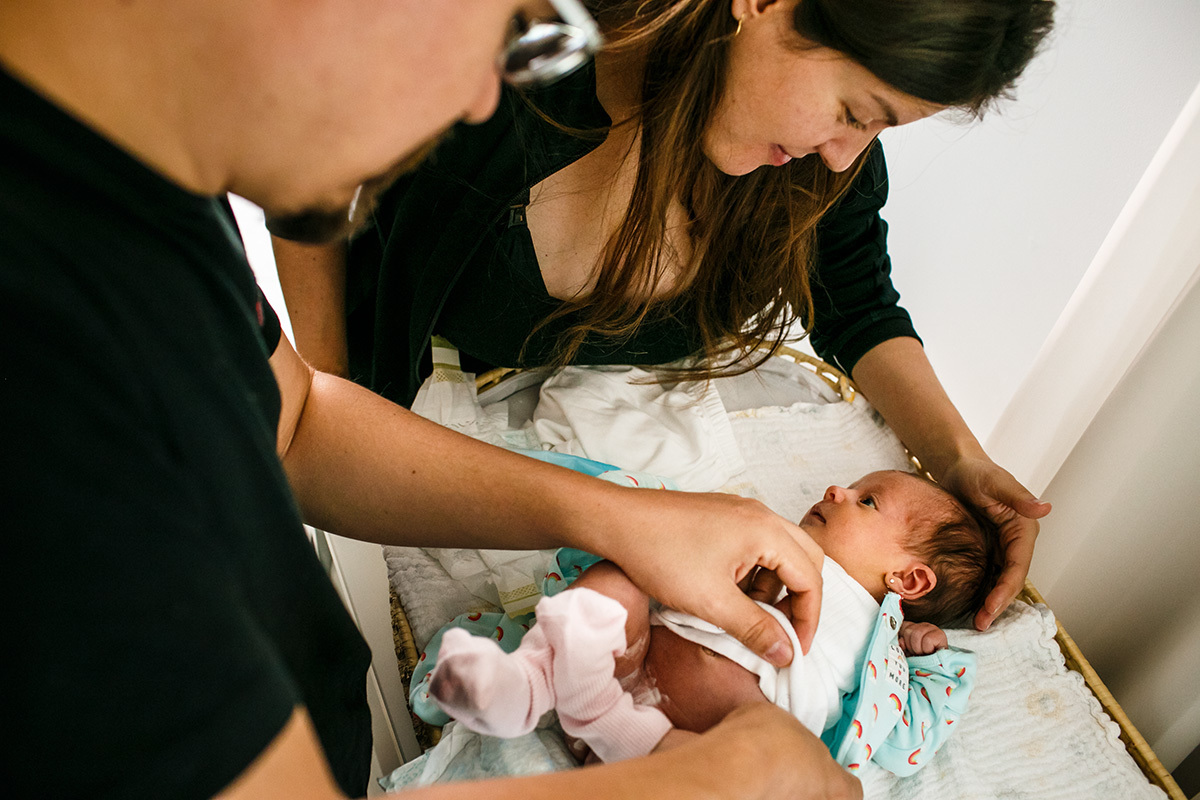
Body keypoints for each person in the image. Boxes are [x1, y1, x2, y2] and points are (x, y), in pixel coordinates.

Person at [0, 2, 860, 799]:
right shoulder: (43, 367)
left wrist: (621, 518)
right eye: (504, 24)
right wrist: (716, 780)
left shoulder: (127, 166)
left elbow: (291, 423)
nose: (482, 100)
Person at [273, 0, 1056, 634]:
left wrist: (957, 461)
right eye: (856, 111)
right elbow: (305, 179)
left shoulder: (812, 168)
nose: (846, 156)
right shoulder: (502, 70)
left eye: (879, 129)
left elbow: (858, 299)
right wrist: (335, 392)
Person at [423, 469, 997, 773]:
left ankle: (603, 732)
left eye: (866, 501)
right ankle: (521, 686)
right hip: (631, 653)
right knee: (616, 576)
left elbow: (909, 743)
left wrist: (930, 657)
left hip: (687, 746)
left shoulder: (885, 647)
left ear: (911, 581)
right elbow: (676, 547)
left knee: (764, 762)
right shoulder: (769, 537)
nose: (836, 489)